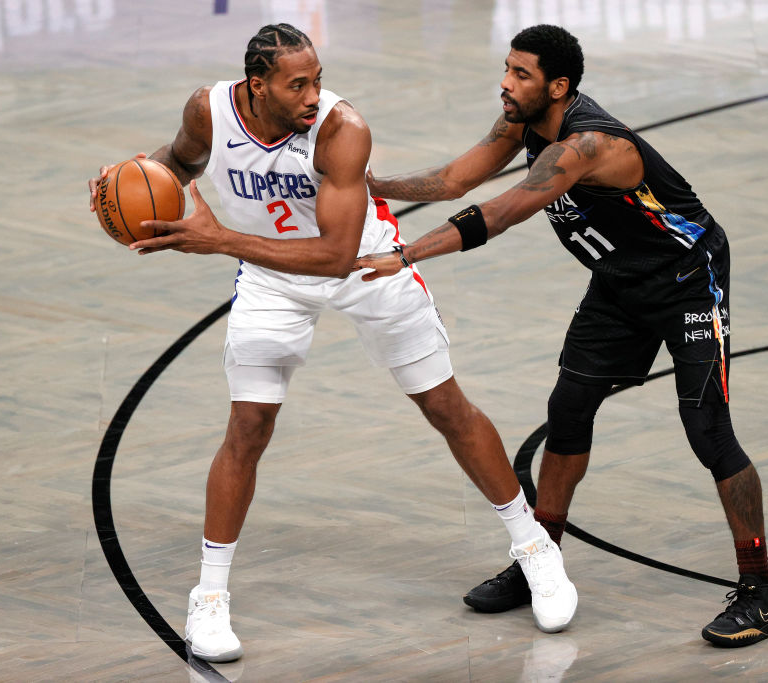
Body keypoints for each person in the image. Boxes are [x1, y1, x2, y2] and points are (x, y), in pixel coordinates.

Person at [87, 23, 577, 663]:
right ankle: (208, 598)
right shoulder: (207, 109)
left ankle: (536, 550)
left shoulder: (343, 129)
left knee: (446, 407)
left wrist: (219, 240)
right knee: (248, 428)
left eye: (317, 79)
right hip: (271, 278)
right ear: (256, 86)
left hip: (365, 266)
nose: (315, 94)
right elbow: (178, 162)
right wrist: (128, 179)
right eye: (298, 84)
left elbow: (334, 255)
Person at [355, 24, 768, 648]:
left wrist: (408, 253)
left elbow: (500, 213)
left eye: (521, 75)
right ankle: (541, 559)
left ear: (559, 87)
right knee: (567, 411)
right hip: (619, 285)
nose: (505, 84)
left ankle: (761, 593)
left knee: (707, 429)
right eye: (507, 68)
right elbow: (454, 181)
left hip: (688, 280)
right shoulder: (521, 123)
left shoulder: (586, 146)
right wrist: (369, 185)